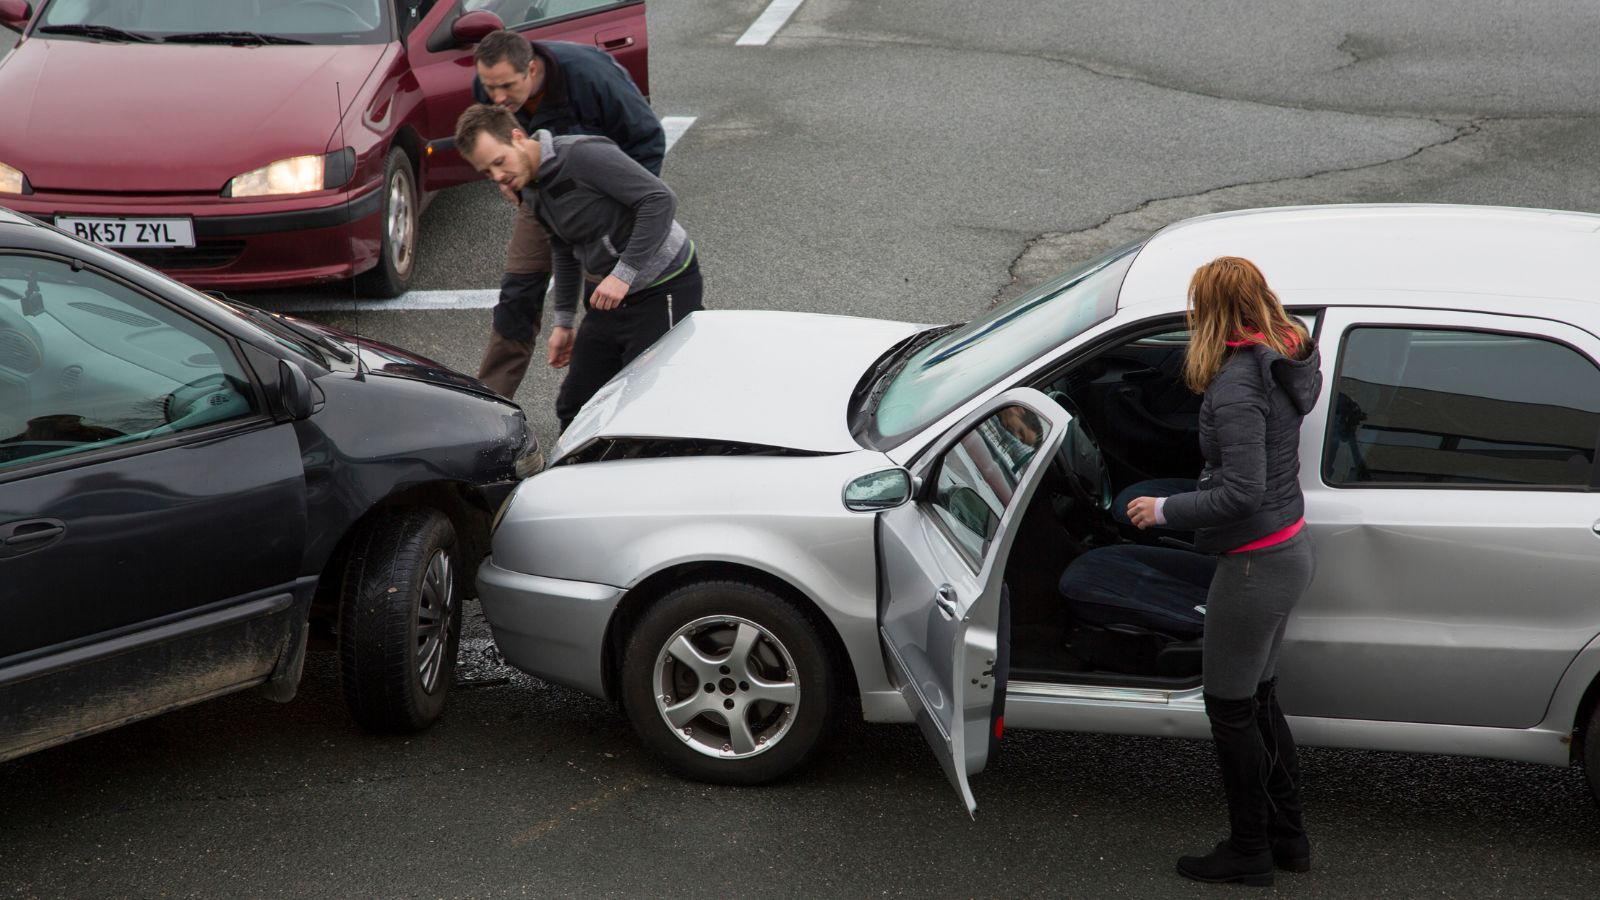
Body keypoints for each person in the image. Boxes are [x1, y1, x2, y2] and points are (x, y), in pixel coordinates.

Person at [1125, 256, 1322, 887]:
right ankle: (1288, 840)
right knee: (1260, 703)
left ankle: (1248, 851)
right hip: (1285, 550)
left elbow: (1241, 491)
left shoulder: (1239, 383)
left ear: (1211, 310)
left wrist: (1163, 511)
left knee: (1230, 708)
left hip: (1253, 566)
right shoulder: (1284, 358)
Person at [454, 104, 703, 430]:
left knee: (646, 400)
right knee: (575, 404)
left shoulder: (582, 155)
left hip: (663, 283)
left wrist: (623, 273)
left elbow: (659, 200)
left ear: (517, 137)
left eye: (499, 162)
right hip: (610, 295)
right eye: (488, 172)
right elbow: (563, 245)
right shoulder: (530, 185)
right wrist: (564, 322)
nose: (498, 177)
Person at [468, 29, 665, 399]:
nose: (496, 98)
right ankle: (488, 408)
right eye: (488, 87)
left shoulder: (591, 77)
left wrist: (622, 211)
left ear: (531, 69)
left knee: (607, 304)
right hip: (540, 197)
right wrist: (509, 182)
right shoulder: (492, 87)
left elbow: (648, 140)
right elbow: (490, 139)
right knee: (517, 296)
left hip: (602, 199)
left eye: (506, 86)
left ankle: (624, 405)